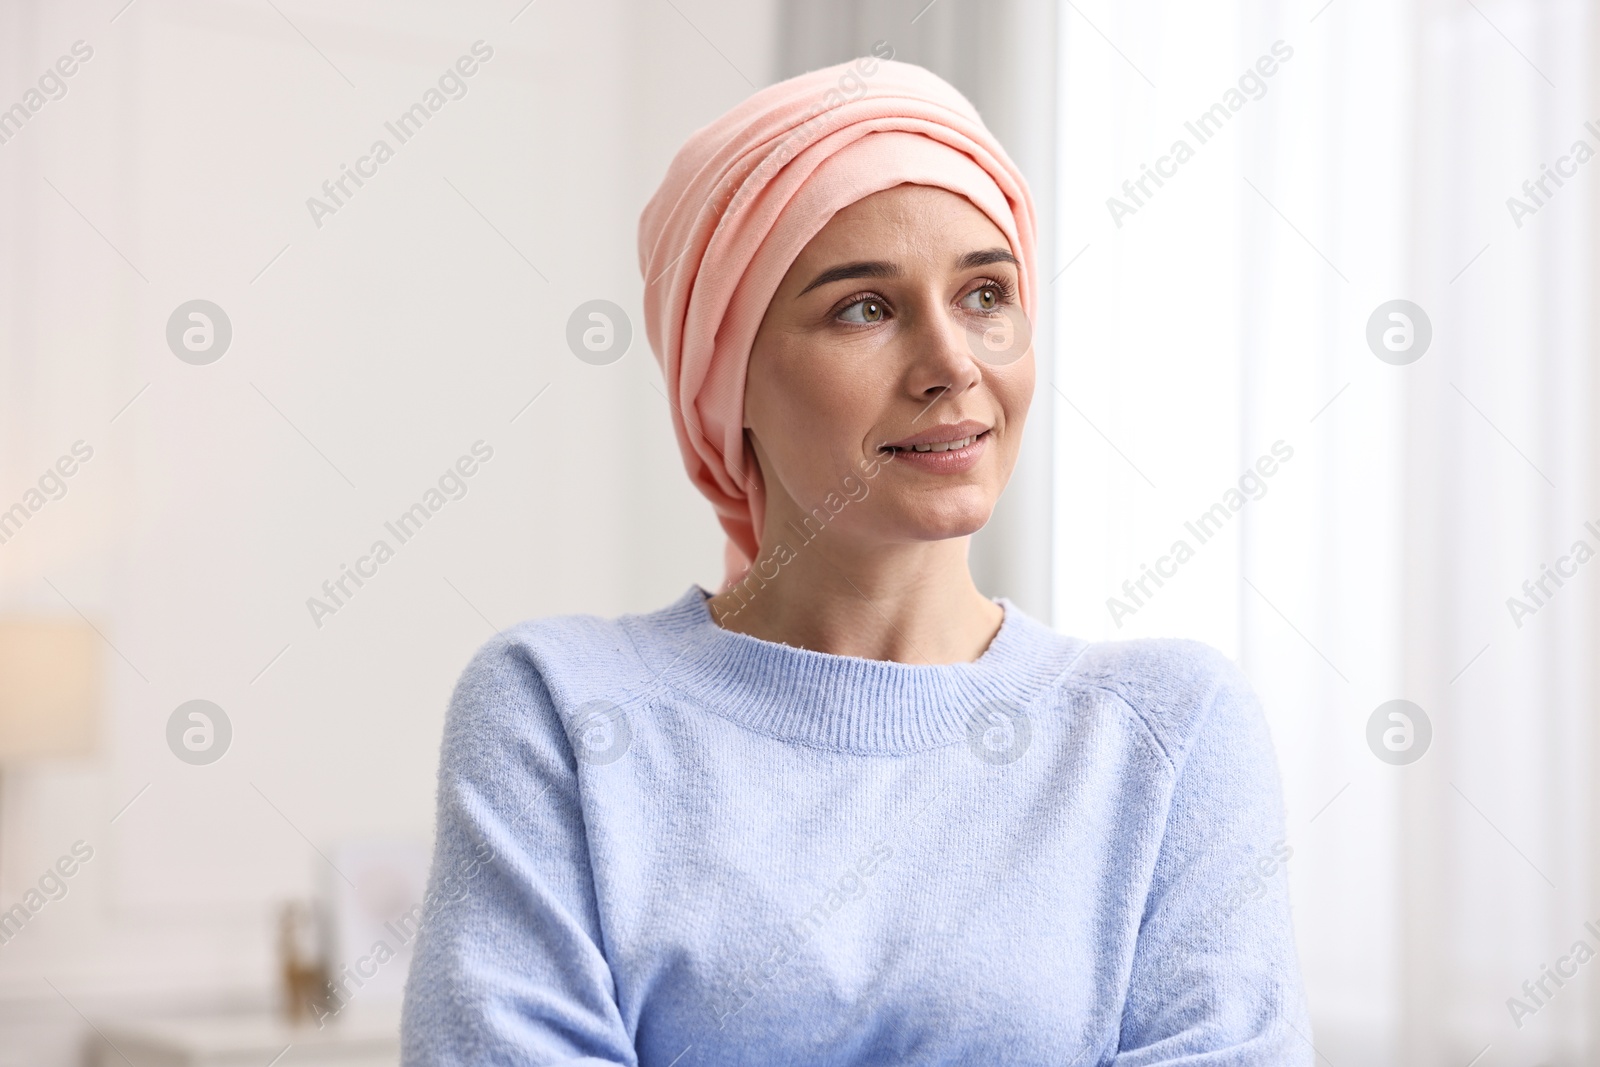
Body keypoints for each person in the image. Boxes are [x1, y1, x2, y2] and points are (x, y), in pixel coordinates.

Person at [400, 55, 1312, 1066]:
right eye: (863, 308)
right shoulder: (557, 710)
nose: (952, 363)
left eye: (984, 293)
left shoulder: (1168, 728)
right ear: (722, 376)